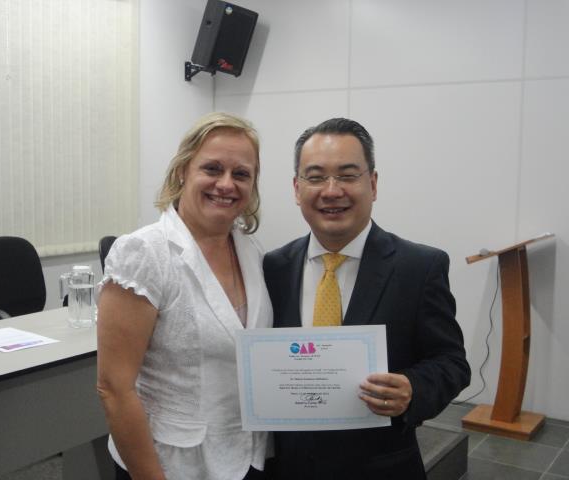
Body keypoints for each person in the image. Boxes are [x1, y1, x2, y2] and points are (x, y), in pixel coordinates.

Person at [263, 118, 470, 479]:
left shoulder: (419, 267)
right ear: (297, 188)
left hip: (381, 467)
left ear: (372, 184)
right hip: (289, 466)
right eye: (316, 177)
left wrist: (413, 389)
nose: (332, 191)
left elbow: (452, 363)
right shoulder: (274, 267)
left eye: (347, 175)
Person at [97, 112, 273, 480]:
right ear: (182, 171)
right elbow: (114, 389)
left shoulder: (251, 251)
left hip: (245, 454)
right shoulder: (144, 253)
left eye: (241, 174)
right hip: (170, 464)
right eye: (212, 169)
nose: (226, 184)